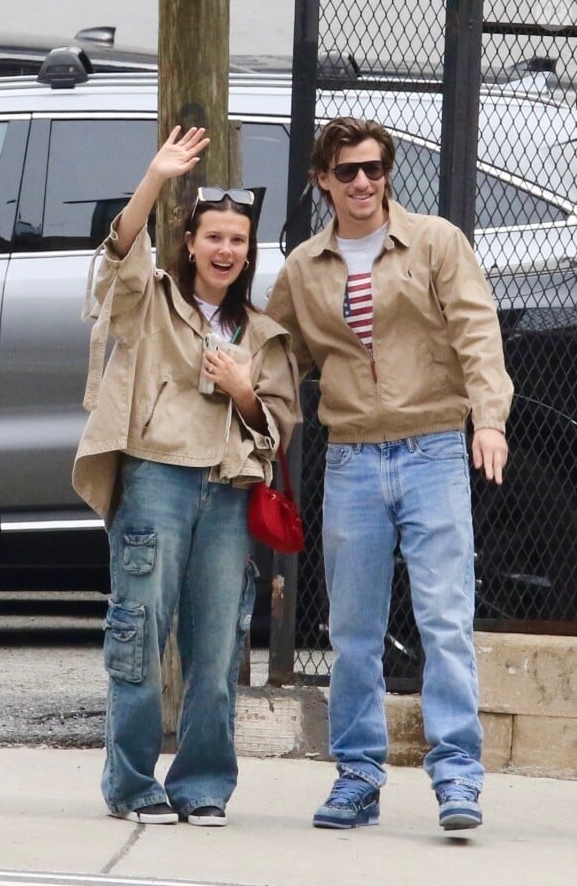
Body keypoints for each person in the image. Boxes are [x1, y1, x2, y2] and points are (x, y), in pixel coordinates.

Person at [266, 116, 513, 832]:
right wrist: (256, 426)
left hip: (433, 447)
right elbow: (281, 360)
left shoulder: (434, 241)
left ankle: (458, 776)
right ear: (323, 181)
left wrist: (488, 418)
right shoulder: (305, 268)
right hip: (351, 459)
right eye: (348, 172)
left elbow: (476, 330)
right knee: (352, 632)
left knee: (444, 619)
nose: (364, 182)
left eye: (374, 168)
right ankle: (357, 776)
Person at [72, 126, 300, 826]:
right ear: (191, 243)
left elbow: (279, 425)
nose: (225, 250)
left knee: (218, 647)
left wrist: (239, 388)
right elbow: (117, 257)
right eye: (213, 238)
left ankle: (203, 784)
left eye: (237, 240)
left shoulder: (263, 333)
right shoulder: (154, 297)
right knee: (139, 635)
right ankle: (132, 783)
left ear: (247, 251)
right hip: (157, 483)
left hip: (229, 495)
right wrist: (156, 177)